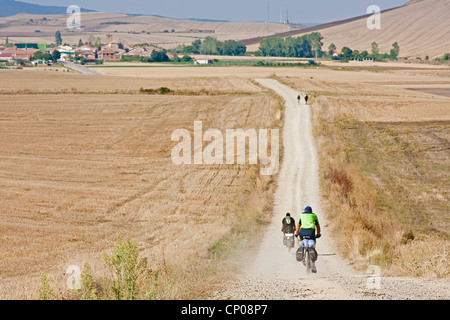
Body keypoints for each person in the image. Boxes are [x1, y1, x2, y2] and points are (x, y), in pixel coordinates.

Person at [295, 206, 321, 273]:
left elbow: (298, 226)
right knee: (313, 246)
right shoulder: (314, 216)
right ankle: (314, 265)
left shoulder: (301, 215)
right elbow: (318, 226)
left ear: (304, 211)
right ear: (311, 211)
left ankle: (301, 252)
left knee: (300, 240)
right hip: (311, 231)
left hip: (302, 231)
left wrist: (296, 234)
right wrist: (318, 234)